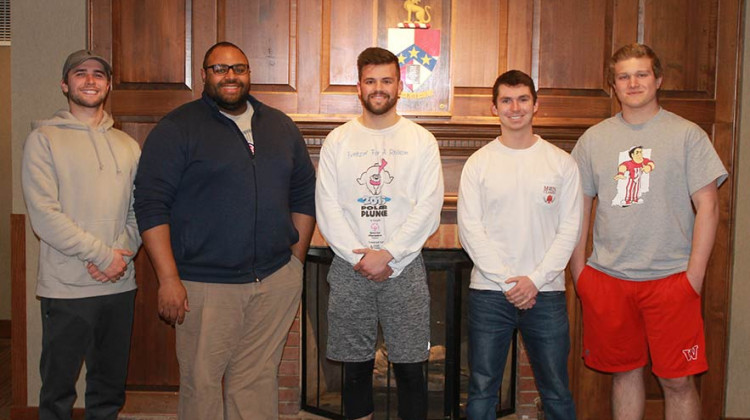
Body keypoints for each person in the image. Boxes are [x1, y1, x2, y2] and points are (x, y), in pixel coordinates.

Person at [133, 41, 316, 420]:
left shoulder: (279, 126)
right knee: (201, 383)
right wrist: (168, 278)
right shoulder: (177, 128)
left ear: (249, 74)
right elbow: (151, 205)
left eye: (239, 68)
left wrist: (295, 262)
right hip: (205, 285)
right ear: (203, 75)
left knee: (257, 379)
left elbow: (303, 194)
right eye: (220, 68)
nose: (230, 76)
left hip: (274, 280)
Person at [570, 43, 728, 420]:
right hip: (608, 278)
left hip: (672, 279)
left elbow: (709, 205)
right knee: (624, 374)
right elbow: (578, 208)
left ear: (658, 80)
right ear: (614, 86)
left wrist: (695, 275)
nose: (633, 82)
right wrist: (579, 273)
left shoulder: (687, 135)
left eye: (641, 74)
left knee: (677, 381)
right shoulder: (593, 140)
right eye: (624, 76)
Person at [315, 47, 444, 420]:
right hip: (350, 267)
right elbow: (328, 206)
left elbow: (427, 207)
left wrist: (388, 254)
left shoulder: (421, 140)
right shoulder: (338, 140)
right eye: (370, 80)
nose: (378, 88)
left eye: (386, 80)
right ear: (359, 87)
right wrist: (361, 258)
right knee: (354, 368)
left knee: (410, 366)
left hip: (403, 269)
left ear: (399, 86)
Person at [22, 49, 141, 419]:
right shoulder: (43, 140)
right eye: (80, 73)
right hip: (66, 287)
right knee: (57, 390)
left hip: (119, 286)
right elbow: (45, 216)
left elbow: (139, 212)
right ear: (65, 84)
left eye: (98, 75)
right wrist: (102, 255)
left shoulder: (128, 145)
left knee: (108, 389)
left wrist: (120, 254)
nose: (90, 80)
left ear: (107, 86)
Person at [458, 70, 581, 420]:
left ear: (535, 104)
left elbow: (570, 227)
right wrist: (509, 281)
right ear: (494, 108)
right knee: (482, 389)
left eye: (523, 99)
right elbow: (470, 230)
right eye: (506, 100)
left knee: (556, 389)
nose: (515, 107)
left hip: (547, 293)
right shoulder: (479, 164)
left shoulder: (561, 163)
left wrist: (535, 280)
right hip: (489, 293)